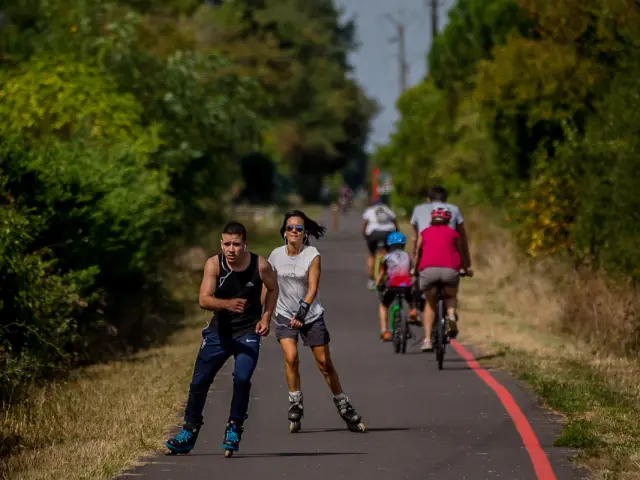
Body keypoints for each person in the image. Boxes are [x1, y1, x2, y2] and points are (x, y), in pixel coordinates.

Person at [165, 221, 279, 457]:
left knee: (242, 378)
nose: (231, 249)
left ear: (245, 244)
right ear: (221, 244)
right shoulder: (214, 264)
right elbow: (204, 299)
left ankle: (234, 427)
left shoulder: (260, 265)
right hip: (219, 333)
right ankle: (189, 431)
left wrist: (266, 317)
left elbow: (273, 288)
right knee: (199, 383)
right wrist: (227, 304)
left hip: (247, 332)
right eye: (226, 244)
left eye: (236, 244)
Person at [267, 210, 366, 433]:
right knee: (291, 358)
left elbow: (313, 288)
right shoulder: (275, 255)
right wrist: (263, 313)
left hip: (310, 315)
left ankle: (343, 404)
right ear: (284, 232)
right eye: (290, 228)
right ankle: (295, 402)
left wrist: (302, 313)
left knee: (324, 363)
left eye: (299, 228)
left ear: (304, 233)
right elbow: (269, 285)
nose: (294, 231)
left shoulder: (312, 254)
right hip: (284, 313)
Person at [414, 207, 472, 352]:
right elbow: (461, 253)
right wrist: (466, 269)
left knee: (430, 303)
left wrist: (414, 269)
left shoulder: (424, 233)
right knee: (450, 295)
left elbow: (418, 253)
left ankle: (427, 340)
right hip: (450, 270)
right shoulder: (454, 234)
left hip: (429, 271)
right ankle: (451, 315)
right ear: (448, 220)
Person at [374, 231, 417, 341]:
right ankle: (413, 311)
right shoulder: (407, 256)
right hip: (406, 286)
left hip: (392, 286)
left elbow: (382, 273)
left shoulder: (387, 257)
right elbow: (411, 271)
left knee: (383, 305)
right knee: (410, 297)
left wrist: (377, 284)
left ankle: (384, 331)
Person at [362, 198, 398, 290]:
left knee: (371, 255)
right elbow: (395, 221)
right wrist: (397, 231)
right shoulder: (387, 209)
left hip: (373, 233)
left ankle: (371, 281)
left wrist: (365, 234)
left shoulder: (370, 210)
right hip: (388, 232)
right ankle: (389, 276)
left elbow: (364, 223)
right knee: (389, 254)